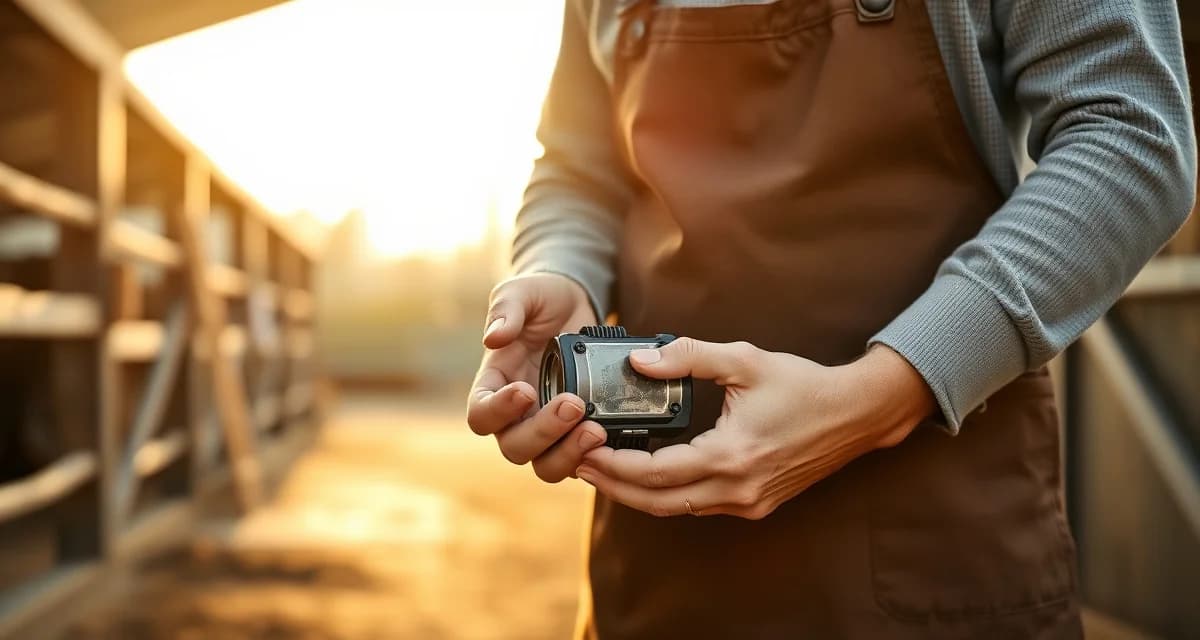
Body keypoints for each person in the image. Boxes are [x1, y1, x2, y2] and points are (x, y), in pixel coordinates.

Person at [466, 0, 1196, 636]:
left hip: (934, 571)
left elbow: (1129, 133)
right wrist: (557, 267)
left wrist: (885, 392)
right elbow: (578, 165)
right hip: (653, 586)